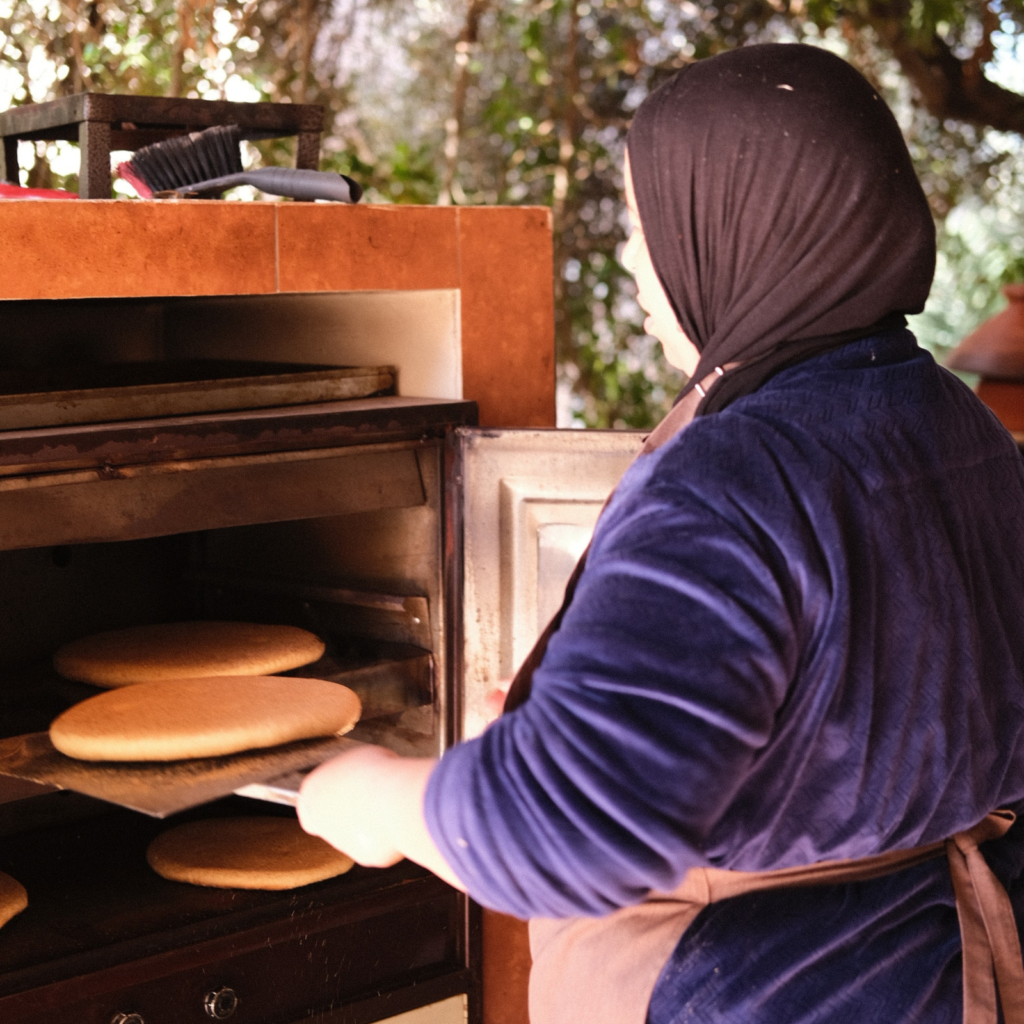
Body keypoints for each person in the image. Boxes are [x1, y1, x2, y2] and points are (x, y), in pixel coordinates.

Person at [298, 43, 1024, 1024]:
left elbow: (569, 831)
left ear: (731, 224)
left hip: (763, 991)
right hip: (952, 973)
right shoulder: (958, 419)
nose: (635, 265)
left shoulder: (735, 477)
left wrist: (376, 797)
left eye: (647, 224)